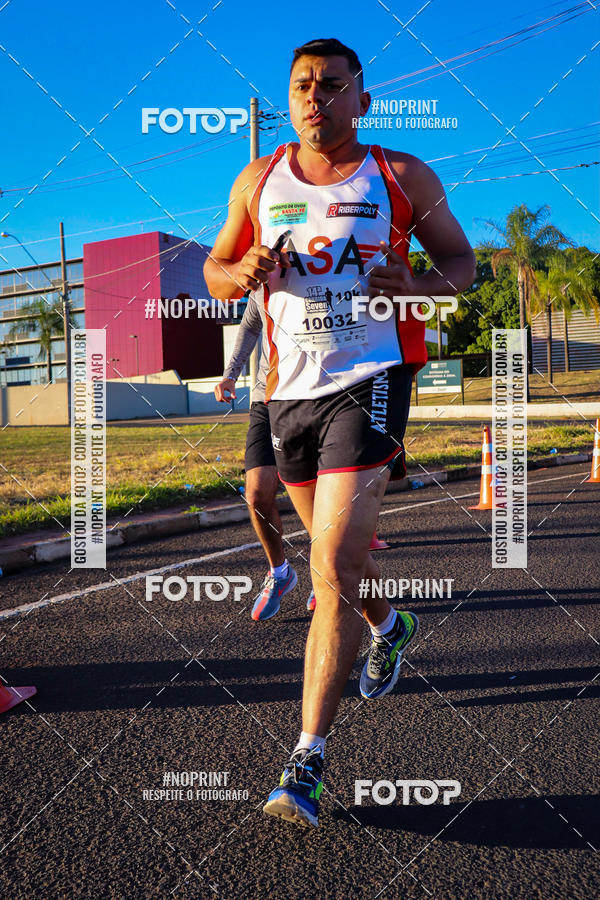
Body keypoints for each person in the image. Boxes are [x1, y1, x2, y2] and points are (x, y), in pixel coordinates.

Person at [204, 37, 476, 828]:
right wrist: (239, 271)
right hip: (287, 395)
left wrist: (418, 283)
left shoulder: (401, 176)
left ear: (363, 98)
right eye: (300, 87)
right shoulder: (259, 179)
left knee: (328, 562)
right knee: (339, 573)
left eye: (330, 86)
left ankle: (306, 762)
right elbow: (216, 268)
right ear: (287, 100)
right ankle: (390, 625)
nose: (313, 98)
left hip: (371, 381)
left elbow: (460, 262)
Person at [214, 297, 315, 618]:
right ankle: (281, 572)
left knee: (316, 496)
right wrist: (230, 374)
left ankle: (326, 572)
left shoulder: (327, 268)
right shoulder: (263, 275)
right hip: (266, 397)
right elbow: (249, 326)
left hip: (316, 395)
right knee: (257, 492)